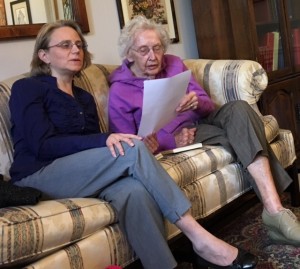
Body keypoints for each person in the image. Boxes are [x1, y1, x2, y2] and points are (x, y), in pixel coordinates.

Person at [8, 20, 257, 269]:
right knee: (132, 147)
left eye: (78, 44)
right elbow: (42, 144)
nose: (75, 50)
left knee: (133, 191)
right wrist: (105, 140)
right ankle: (200, 238)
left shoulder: (83, 96)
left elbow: (90, 148)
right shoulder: (26, 88)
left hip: (79, 173)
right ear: (43, 55)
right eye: (65, 45)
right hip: (39, 174)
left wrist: (107, 147)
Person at [108, 15, 300, 250]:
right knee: (244, 136)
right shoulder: (119, 91)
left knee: (240, 109)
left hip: (203, 121)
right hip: (179, 140)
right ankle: (276, 210)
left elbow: (208, 106)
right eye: (143, 50)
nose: (152, 56)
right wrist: (170, 141)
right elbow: (128, 145)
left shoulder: (175, 64)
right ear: (129, 54)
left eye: (157, 48)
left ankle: (274, 211)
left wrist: (195, 102)